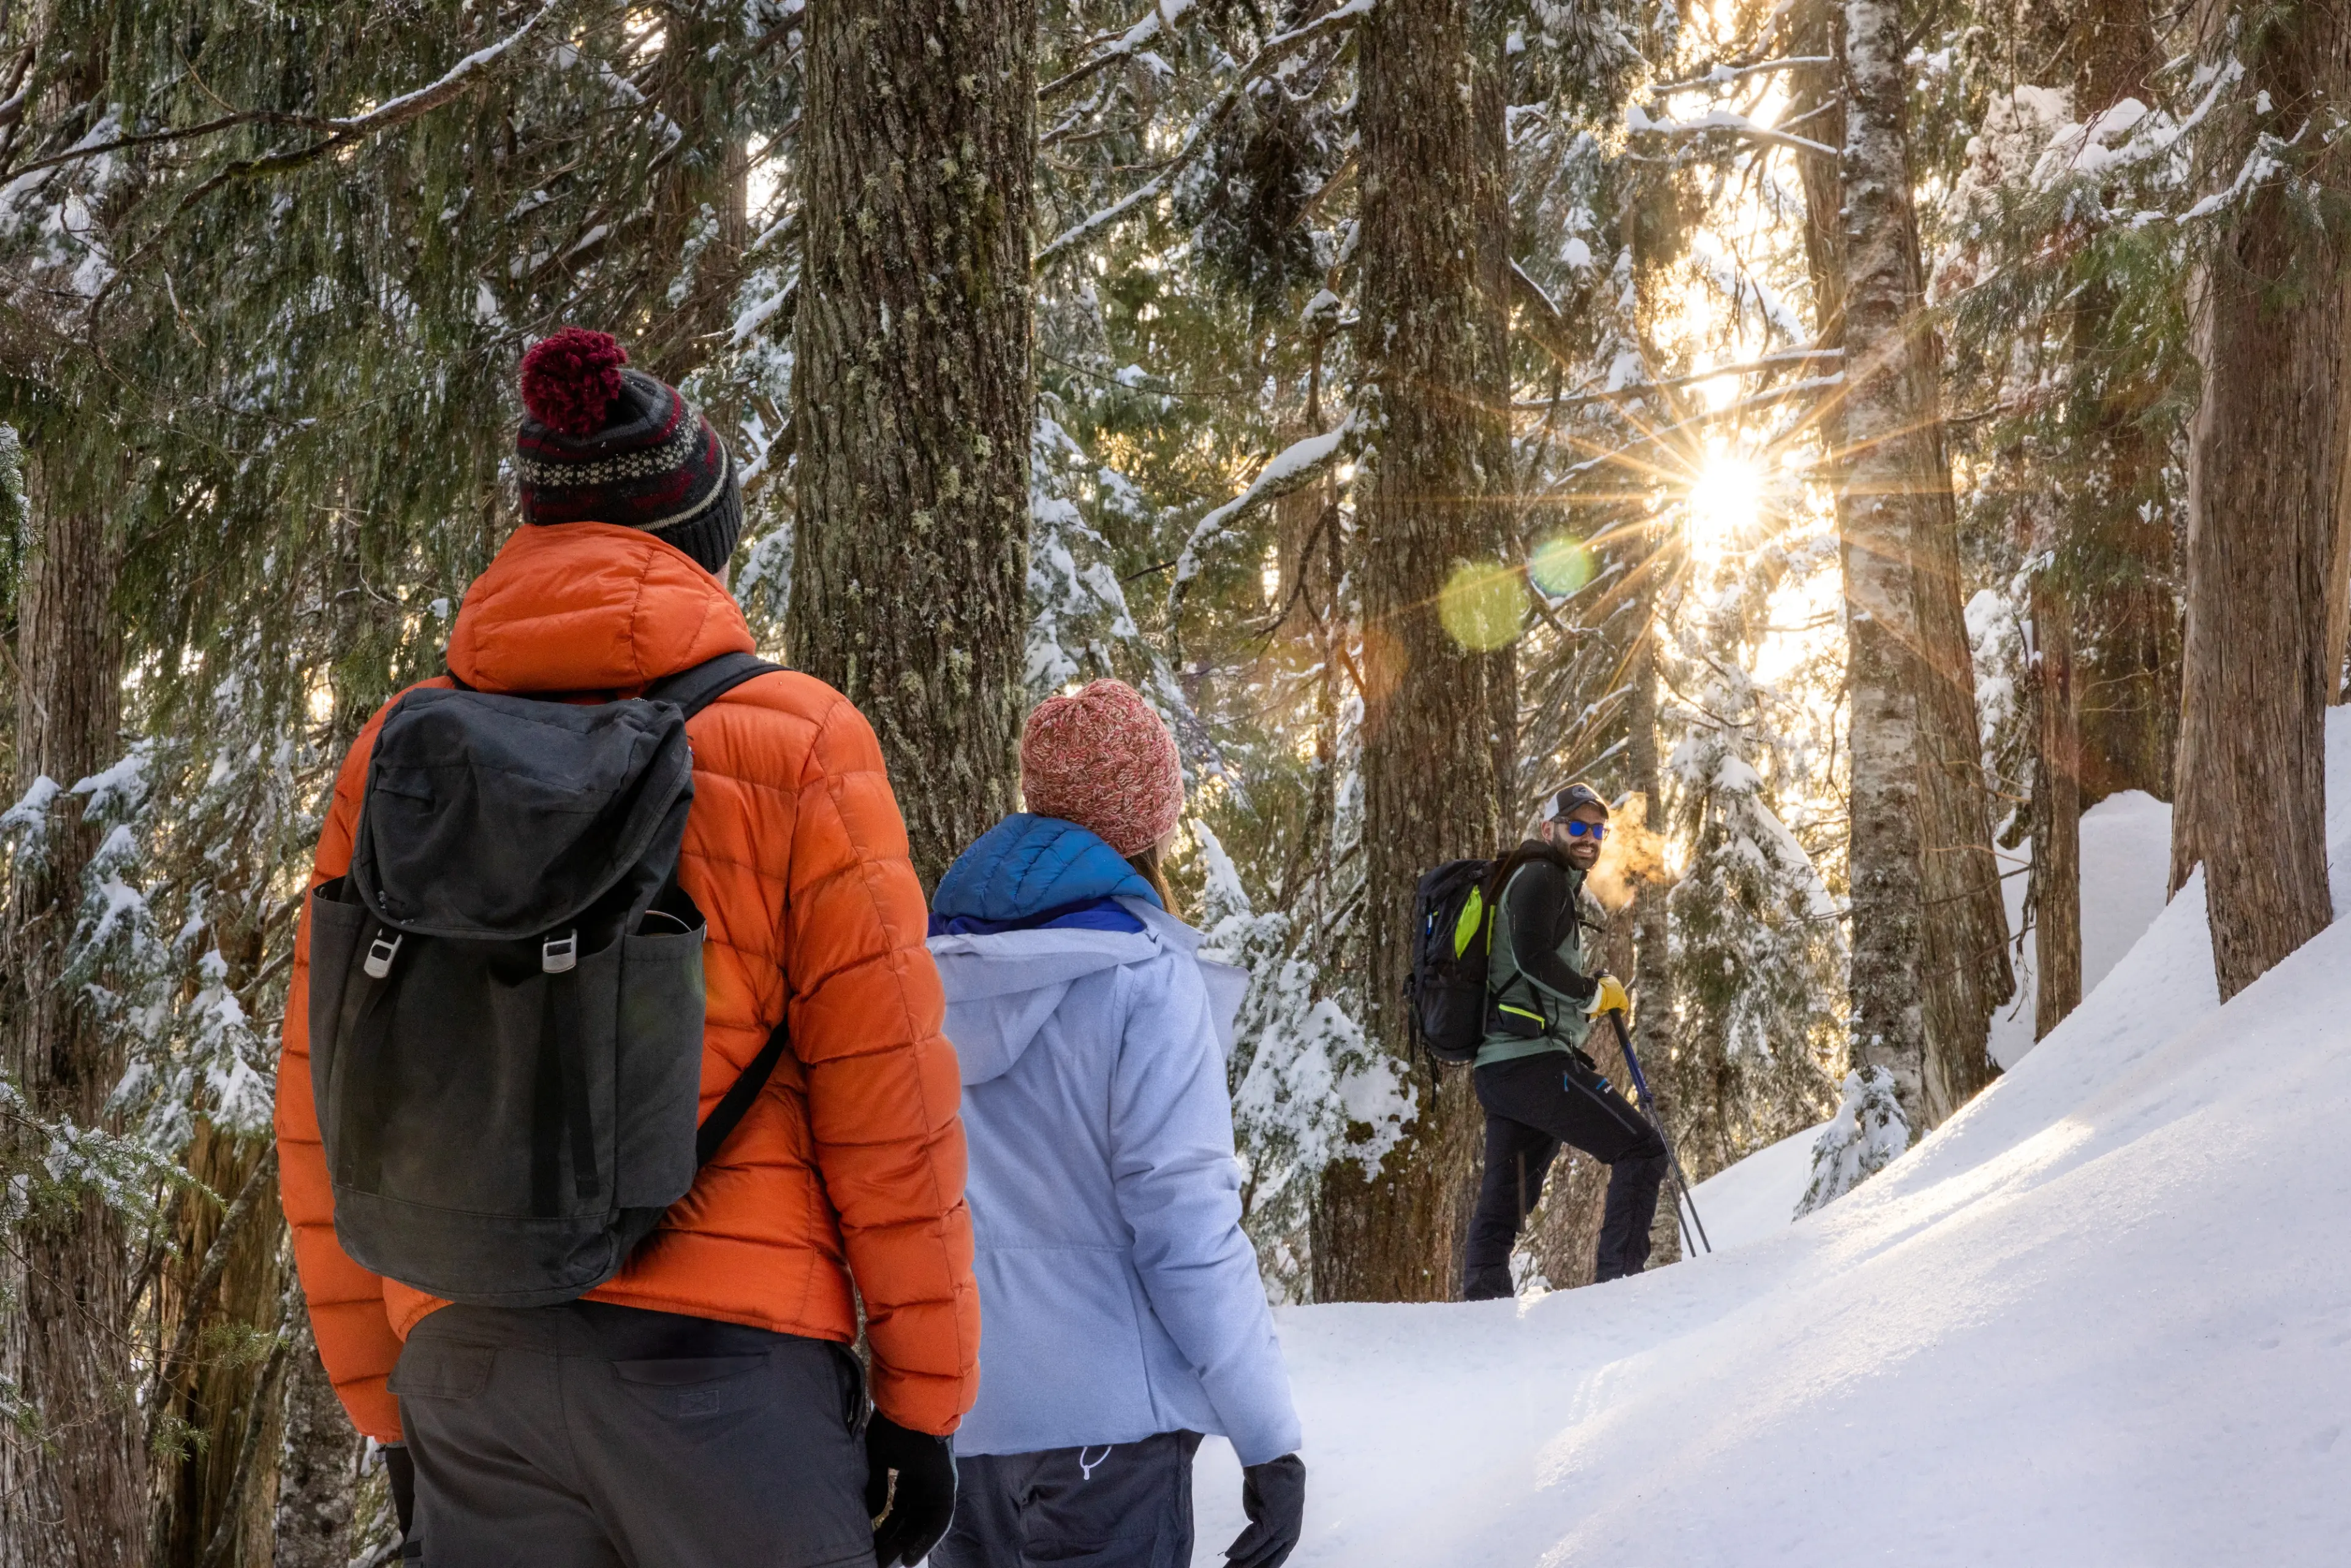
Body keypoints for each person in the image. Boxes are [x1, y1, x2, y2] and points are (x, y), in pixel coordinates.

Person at [273, 329, 978, 1567]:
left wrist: (387, 1400)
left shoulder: (393, 752)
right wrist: (924, 1401)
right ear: (704, 534)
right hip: (726, 1377)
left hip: (468, 1357)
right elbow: (891, 1103)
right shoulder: (798, 742)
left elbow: (328, 1099)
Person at [923, 679, 1307, 1568]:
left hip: (959, 1418)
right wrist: (1268, 1436)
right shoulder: (1145, 979)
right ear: (1151, 823)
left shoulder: (931, 972)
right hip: (1111, 1436)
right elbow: (1185, 1229)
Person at [1460, 784, 1670, 1300]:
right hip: (1532, 1064)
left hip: (1504, 1068)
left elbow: (1529, 961)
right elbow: (1531, 956)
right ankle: (1618, 1290)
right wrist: (1592, 993)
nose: (1588, 837)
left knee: (1504, 1206)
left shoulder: (1536, 877)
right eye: (1576, 826)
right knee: (1642, 1149)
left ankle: (1483, 1316)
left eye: (1598, 829)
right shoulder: (1541, 875)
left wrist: (1588, 991)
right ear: (1548, 828)